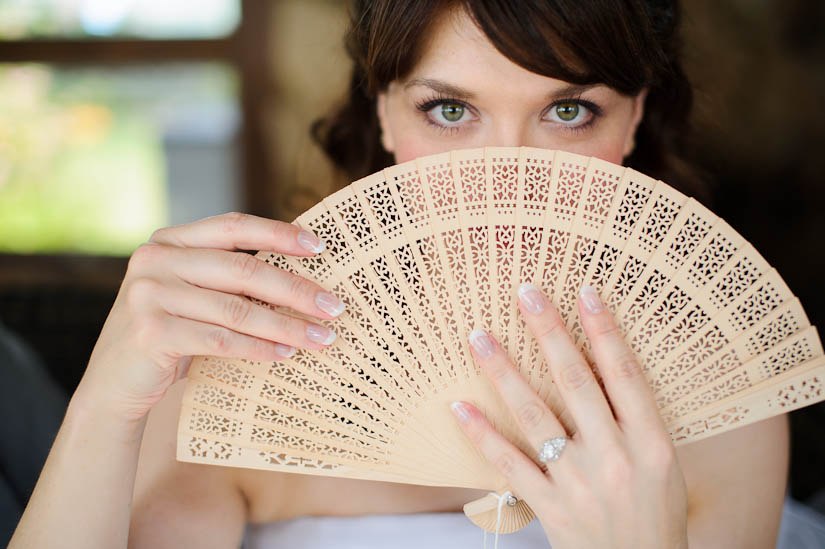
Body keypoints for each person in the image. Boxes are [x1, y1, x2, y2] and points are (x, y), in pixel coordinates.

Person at [9, 0, 792, 547]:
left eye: (567, 110)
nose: (504, 177)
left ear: (631, 119)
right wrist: (102, 410)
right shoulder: (249, 375)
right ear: (384, 113)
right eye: (450, 110)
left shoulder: (725, 405)